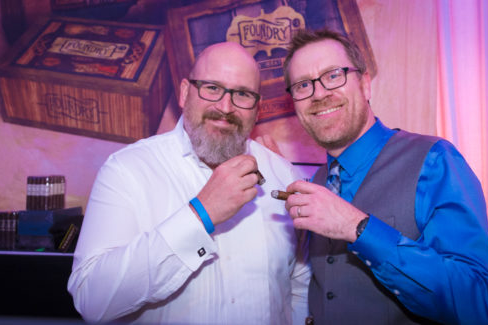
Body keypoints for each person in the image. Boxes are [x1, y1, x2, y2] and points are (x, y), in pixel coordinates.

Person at [67, 42, 310, 324]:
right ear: (184, 93)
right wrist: (201, 214)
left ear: (257, 109)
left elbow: (300, 285)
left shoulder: (284, 175)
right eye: (211, 88)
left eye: (242, 94)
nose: (225, 106)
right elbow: (92, 300)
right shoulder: (127, 170)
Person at [281, 29, 488, 325]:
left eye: (333, 75)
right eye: (303, 85)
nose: (319, 93)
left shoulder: (434, 161)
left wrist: (359, 229)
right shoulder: (318, 182)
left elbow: (482, 304)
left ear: (364, 84)